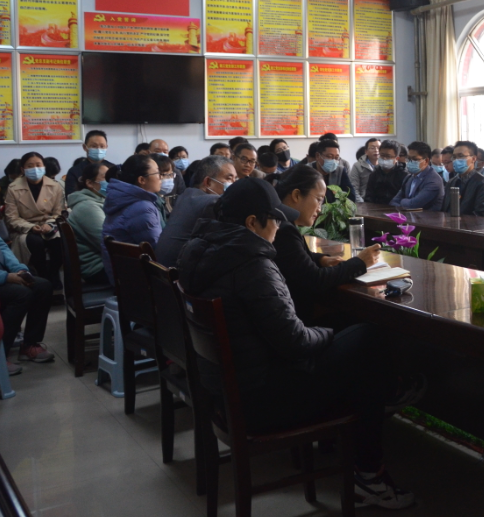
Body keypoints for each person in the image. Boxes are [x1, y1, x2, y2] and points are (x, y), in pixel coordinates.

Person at [177, 178, 415, 508]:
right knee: (369, 339)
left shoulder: (200, 251)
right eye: (275, 220)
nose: (279, 227)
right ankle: (369, 473)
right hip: (264, 401)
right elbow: (296, 343)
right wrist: (327, 333)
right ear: (252, 223)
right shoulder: (251, 264)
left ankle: (373, 422)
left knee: (353, 339)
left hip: (226, 394)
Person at [274, 165, 382, 325]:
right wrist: (360, 262)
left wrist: (321, 259)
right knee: (372, 321)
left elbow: (295, 257)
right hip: (300, 326)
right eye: (318, 199)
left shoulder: (281, 223)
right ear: (296, 195)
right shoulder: (284, 230)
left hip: (296, 320)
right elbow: (316, 280)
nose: (320, 209)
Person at [156, 156, 237, 268]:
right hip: (178, 273)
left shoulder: (186, 195)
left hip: (163, 270)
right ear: (208, 182)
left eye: (235, 179)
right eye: (229, 179)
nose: (234, 184)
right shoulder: (212, 203)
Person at [4, 152, 66, 294]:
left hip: (49, 225)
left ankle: (53, 272)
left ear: (44, 167)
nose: (35, 169)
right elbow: (11, 218)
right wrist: (31, 227)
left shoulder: (55, 186)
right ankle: (42, 274)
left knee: (60, 241)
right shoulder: (13, 188)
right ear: (22, 169)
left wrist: (49, 224)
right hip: (24, 228)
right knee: (35, 242)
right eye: (30, 166)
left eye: (38, 165)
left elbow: (59, 212)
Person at [0, 227, 55, 370]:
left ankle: (30, 344)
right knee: (21, 294)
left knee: (42, 287)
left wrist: (19, 270)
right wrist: (6, 277)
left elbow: (0, 246)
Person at [101, 154, 165, 283]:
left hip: (124, 278)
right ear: (142, 180)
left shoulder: (124, 199)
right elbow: (158, 252)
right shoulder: (142, 208)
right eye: (157, 173)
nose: (161, 177)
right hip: (140, 282)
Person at [67, 160, 112, 285]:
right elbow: (107, 242)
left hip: (106, 261)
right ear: (90, 183)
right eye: (106, 178)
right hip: (97, 267)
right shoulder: (87, 207)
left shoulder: (101, 201)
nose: (111, 182)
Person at [389, 142, 445, 211]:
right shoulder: (409, 177)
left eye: (415, 159)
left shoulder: (433, 180)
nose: (410, 162)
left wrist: (402, 201)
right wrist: (405, 203)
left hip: (427, 217)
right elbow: (394, 201)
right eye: (409, 159)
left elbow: (413, 205)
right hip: (408, 216)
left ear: (426, 160)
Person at [443, 141, 484, 216]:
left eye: (461, 156)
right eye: (454, 157)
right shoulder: (451, 182)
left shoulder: (481, 182)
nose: (456, 160)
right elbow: (444, 208)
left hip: (469, 222)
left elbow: (480, 213)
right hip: (448, 221)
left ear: (473, 158)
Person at [310, 139, 357, 203]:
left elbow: (351, 196)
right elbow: (309, 197)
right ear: (318, 156)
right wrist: (334, 194)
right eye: (329, 156)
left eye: (336, 157)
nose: (333, 161)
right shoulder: (306, 171)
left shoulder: (340, 171)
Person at [365, 141, 407, 205]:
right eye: (382, 155)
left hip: (397, 209)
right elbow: (368, 197)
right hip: (376, 209)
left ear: (397, 158)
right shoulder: (374, 174)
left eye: (388, 156)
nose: (384, 158)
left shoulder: (404, 175)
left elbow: (405, 197)